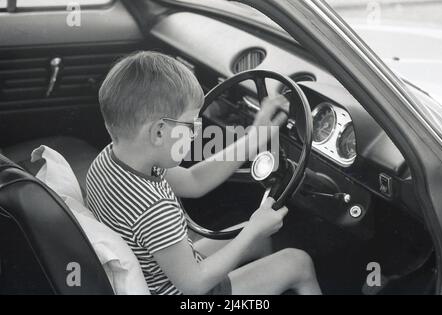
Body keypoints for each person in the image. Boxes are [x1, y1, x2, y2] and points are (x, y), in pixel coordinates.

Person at [86, 51, 322, 295]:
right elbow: (194, 285)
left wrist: (254, 138)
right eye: (191, 125)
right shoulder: (153, 208)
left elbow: (194, 181)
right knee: (298, 263)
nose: (196, 133)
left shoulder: (112, 161)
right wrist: (252, 230)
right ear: (158, 132)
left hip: (162, 273)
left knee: (258, 238)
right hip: (186, 292)